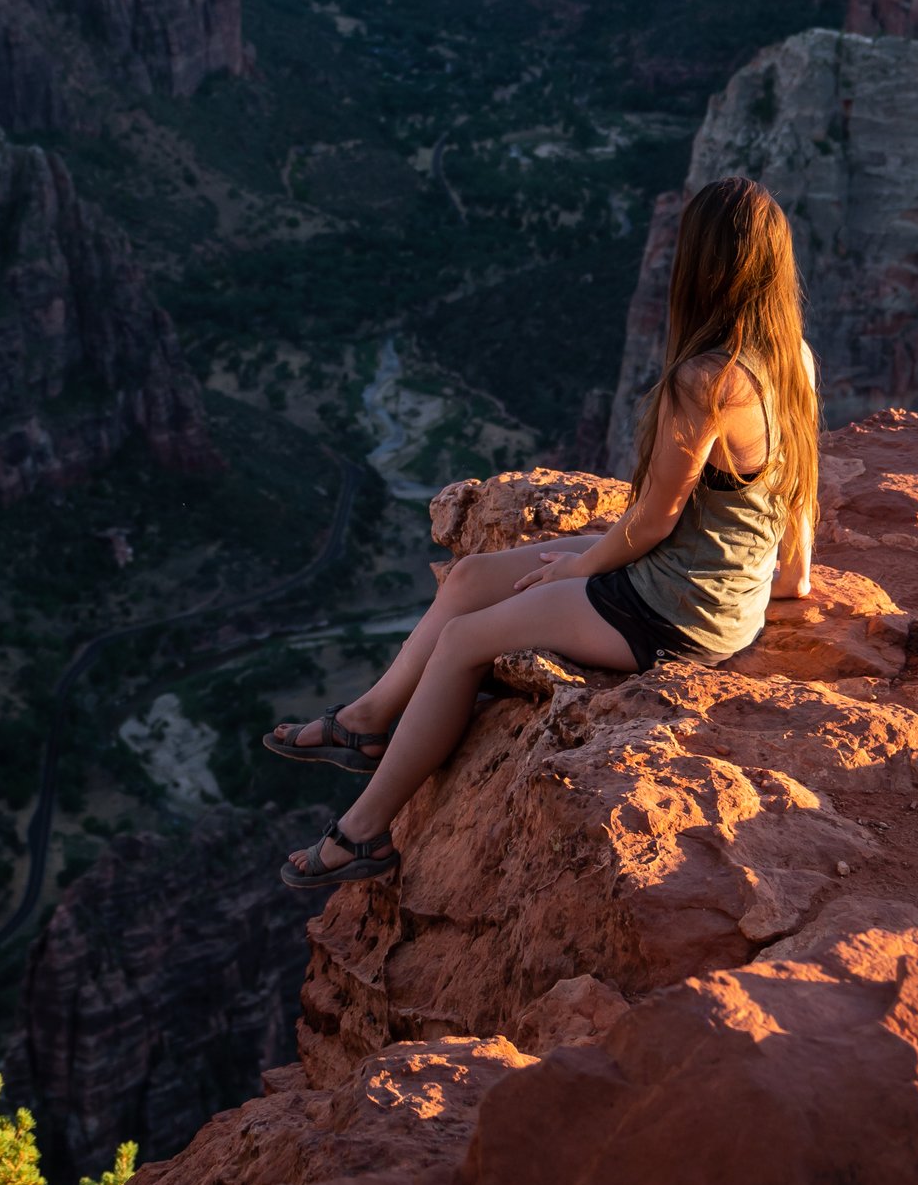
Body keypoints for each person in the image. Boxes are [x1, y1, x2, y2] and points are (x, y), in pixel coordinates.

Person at [274, 172, 819, 891]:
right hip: (707, 585)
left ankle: (363, 832)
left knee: (465, 640)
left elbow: (653, 518)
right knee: (469, 580)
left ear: (702, 267)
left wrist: (575, 570)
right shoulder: (792, 359)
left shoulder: (706, 381)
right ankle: (368, 718)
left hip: (677, 608)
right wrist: (793, 578)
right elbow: (797, 490)